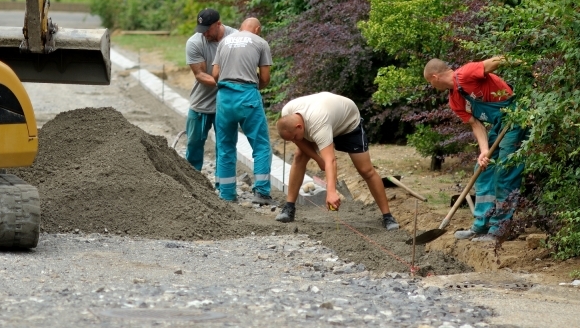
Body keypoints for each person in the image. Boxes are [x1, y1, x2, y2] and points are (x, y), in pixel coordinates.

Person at [424, 57, 526, 242]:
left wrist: (528, 69)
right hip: (499, 124)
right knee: (482, 170)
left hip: (515, 117)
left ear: (434, 76)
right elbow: (476, 125)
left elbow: (498, 60)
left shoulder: (465, 74)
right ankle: (482, 225)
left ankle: (500, 229)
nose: (432, 86)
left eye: (430, 82)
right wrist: (484, 151)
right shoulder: (455, 100)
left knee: (504, 170)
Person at [275, 92, 400, 230]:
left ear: (299, 126)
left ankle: (387, 216)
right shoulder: (287, 113)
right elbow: (300, 142)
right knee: (299, 156)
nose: (295, 140)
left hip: (348, 124)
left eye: (295, 137)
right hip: (326, 119)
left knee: (366, 170)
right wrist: (317, 159)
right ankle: (289, 207)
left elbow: (331, 160)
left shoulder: (318, 123)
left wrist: (331, 192)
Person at [211, 17, 273, 204]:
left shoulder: (224, 42)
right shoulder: (260, 42)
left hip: (224, 97)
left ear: (240, 28)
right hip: (247, 96)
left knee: (225, 147)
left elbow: (215, 74)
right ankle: (261, 193)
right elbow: (265, 77)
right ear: (257, 29)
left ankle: (227, 194)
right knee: (261, 146)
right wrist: (255, 88)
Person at [184, 8, 236, 171]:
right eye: (201, 30)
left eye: (207, 29)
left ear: (218, 24)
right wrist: (226, 83)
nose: (204, 34)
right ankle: (192, 182)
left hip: (226, 104)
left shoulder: (235, 38)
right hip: (201, 102)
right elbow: (199, 74)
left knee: (225, 146)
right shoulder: (195, 42)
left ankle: (223, 187)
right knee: (194, 143)